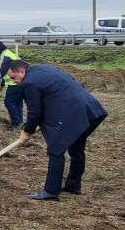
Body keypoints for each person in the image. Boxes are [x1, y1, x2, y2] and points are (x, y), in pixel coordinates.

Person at [7, 61, 108, 201]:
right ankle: (73, 186)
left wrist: (27, 131)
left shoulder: (29, 83)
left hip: (75, 112)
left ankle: (50, 191)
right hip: (90, 107)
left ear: (22, 71)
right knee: (76, 148)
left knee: (55, 150)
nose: (14, 81)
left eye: (13, 77)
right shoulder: (45, 67)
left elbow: (34, 111)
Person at [0, 41, 23, 130]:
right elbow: (7, 72)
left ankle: (17, 123)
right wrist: (2, 85)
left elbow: (1, 72)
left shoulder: (5, 56)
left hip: (14, 83)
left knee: (9, 102)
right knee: (17, 103)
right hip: (21, 82)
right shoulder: (10, 54)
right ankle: (20, 122)